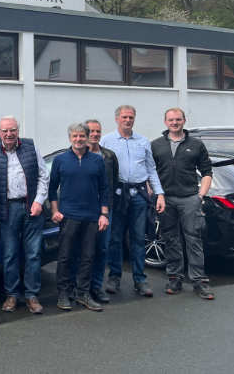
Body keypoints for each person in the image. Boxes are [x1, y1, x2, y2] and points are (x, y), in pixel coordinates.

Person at [0, 116, 49, 314]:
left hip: (31, 207)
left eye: (12, 130)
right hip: (6, 209)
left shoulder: (30, 146)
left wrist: (39, 201)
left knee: (33, 254)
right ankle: (11, 295)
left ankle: (31, 295)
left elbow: (43, 175)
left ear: (18, 131)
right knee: (10, 254)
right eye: (5, 131)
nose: (9, 134)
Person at [101, 105, 165, 297]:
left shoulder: (143, 141)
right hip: (117, 194)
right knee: (115, 238)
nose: (128, 120)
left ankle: (140, 279)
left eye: (130, 117)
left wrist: (160, 194)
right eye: (124, 117)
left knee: (138, 238)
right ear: (117, 119)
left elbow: (151, 169)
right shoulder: (107, 141)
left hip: (139, 195)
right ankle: (114, 277)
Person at [151, 108, 214, 299]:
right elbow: (150, 172)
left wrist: (200, 196)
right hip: (166, 199)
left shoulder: (196, 144)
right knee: (170, 238)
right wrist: (156, 194)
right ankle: (174, 278)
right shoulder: (156, 145)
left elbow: (207, 172)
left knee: (194, 239)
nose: (174, 123)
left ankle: (199, 281)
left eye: (178, 119)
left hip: (189, 198)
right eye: (171, 120)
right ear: (165, 122)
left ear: (184, 120)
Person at [49, 123, 110, 312]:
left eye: (82, 136)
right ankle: (64, 293)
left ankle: (83, 293)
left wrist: (104, 214)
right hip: (68, 216)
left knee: (88, 257)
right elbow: (52, 188)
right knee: (65, 256)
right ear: (70, 138)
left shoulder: (97, 160)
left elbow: (104, 189)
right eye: (75, 136)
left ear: (87, 137)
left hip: (92, 216)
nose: (78, 139)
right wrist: (55, 211)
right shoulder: (60, 160)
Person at [82, 119, 119, 304]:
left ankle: (96, 286)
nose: (95, 134)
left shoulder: (109, 156)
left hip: (104, 210)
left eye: (98, 131)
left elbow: (113, 183)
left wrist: (107, 208)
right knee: (83, 250)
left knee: (101, 249)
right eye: (91, 131)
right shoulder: (77, 154)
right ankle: (81, 287)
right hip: (83, 210)